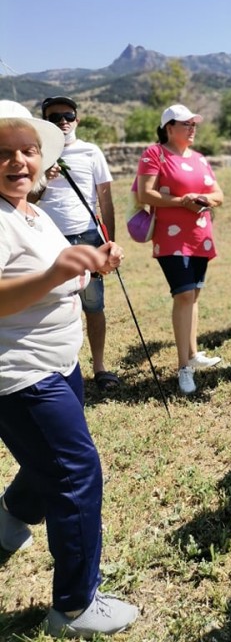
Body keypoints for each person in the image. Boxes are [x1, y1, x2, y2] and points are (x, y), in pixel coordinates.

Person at [0, 100, 138, 638]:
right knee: (76, 472)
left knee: (49, 460)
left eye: (28, 150)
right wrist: (60, 268)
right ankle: (75, 606)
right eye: (4, 153)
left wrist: (92, 264)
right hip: (20, 375)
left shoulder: (30, 212)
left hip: (57, 365)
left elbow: (59, 275)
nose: (19, 162)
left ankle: (9, 522)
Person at [136, 104, 223, 396]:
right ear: (169, 127)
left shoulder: (199, 158)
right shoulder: (154, 154)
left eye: (194, 124)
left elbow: (218, 194)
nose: (192, 128)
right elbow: (145, 193)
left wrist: (203, 199)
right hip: (171, 237)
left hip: (200, 235)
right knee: (184, 294)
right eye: (186, 124)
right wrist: (182, 201)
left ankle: (193, 354)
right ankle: (183, 367)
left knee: (193, 295)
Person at [36, 96, 120, 392]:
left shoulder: (91, 152)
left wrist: (111, 241)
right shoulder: (36, 155)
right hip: (48, 241)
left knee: (94, 305)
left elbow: (105, 198)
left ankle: (100, 368)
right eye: (55, 117)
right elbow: (25, 199)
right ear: (45, 123)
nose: (63, 121)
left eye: (68, 115)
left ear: (77, 119)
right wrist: (43, 179)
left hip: (88, 237)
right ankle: (59, 369)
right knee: (52, 306)